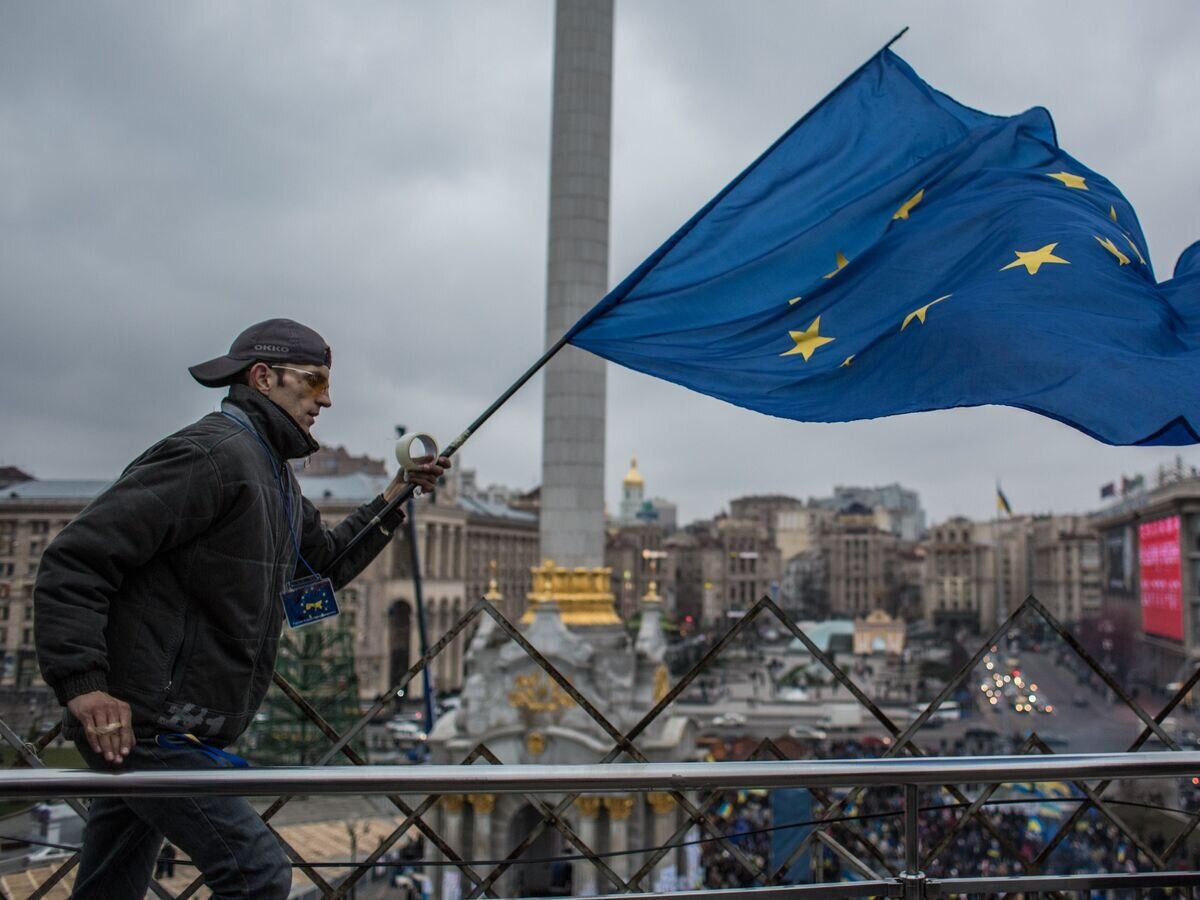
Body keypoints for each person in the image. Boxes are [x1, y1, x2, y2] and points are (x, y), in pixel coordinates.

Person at [34, 319, 449, 900]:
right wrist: (84, 685)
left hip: (172, 725)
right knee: (256, 873)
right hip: (154, 725)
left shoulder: (270, 471)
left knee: (110, 884)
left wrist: (397, 492)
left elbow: (324, 562)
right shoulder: (210, 456)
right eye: (314, 381)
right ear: (263, 377)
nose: (326, 399)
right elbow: (75, 559)